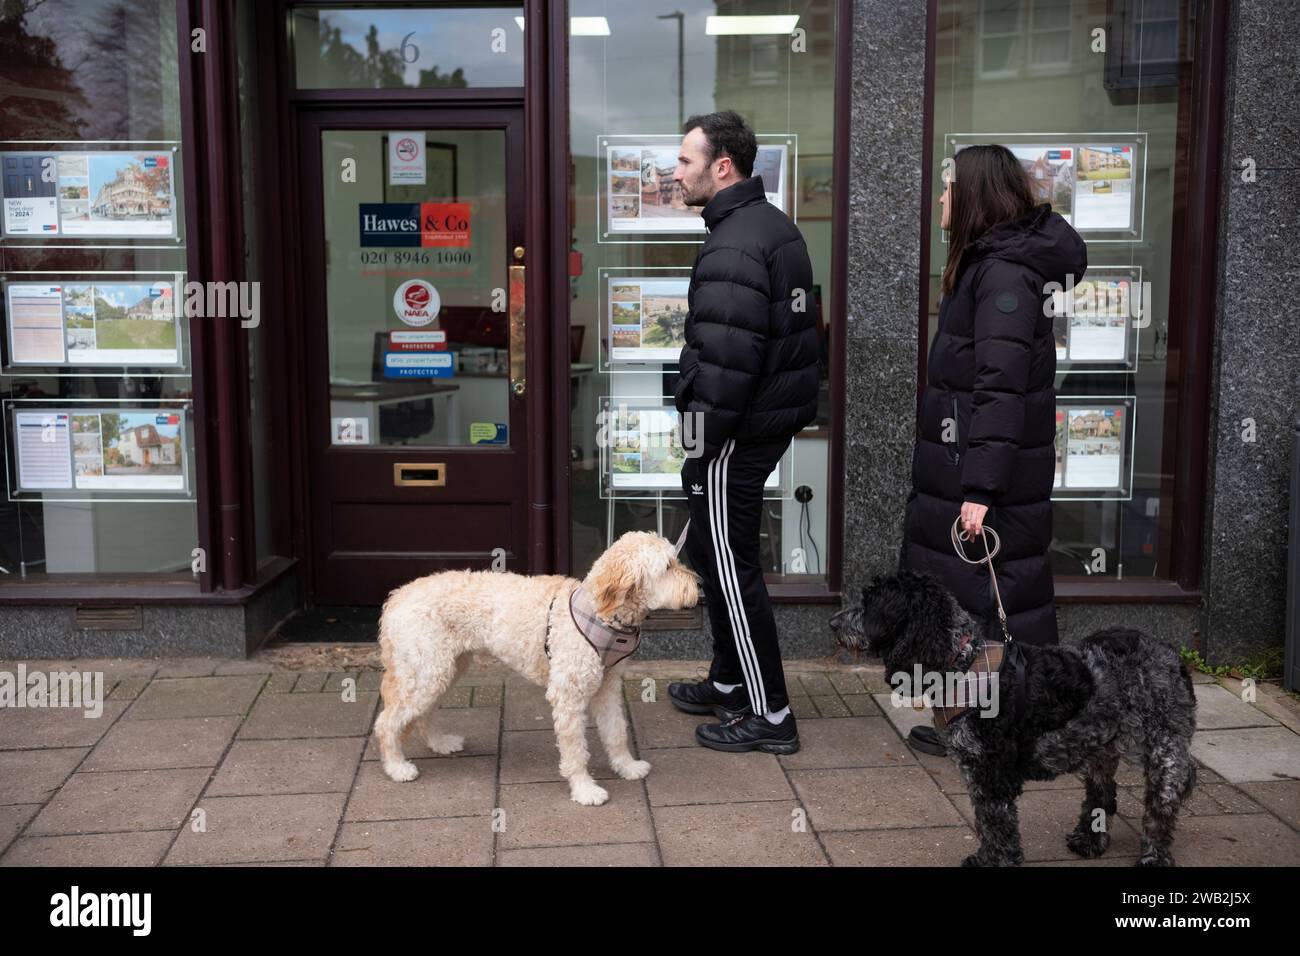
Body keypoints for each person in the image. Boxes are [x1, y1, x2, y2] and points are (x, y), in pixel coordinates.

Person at [901, 144, 1087, 756]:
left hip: (982, 477)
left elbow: (1001, 391)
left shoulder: (1003, 273)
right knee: (976, 598)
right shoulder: (990, 264)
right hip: (968, 466)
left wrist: (979, 489)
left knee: (990, 600)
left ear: (977, 195)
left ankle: (1000, 731)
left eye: (949, 186)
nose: (941, 198)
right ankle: (972, 722)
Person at [665, 110, 819, 754]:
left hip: (734, 431)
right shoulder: (764, 226)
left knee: (730, 569)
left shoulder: (735, 241)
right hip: (752, 425)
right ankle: (731, 682)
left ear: (720, 166)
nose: (675, 173)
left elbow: (728, 365)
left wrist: (701, 440)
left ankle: (771, 715)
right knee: (711, 553)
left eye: (684, 162)